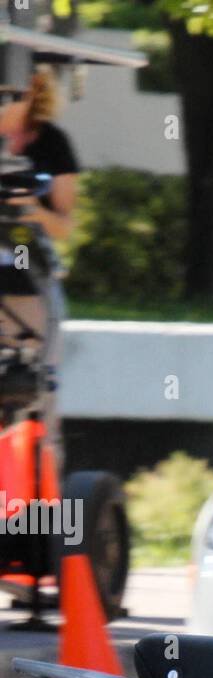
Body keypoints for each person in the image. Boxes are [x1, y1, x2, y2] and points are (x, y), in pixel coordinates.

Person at [0, 65, 80, 456]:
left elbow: (64, 226)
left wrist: (31, 208)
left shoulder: (52, 142)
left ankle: (40, 481)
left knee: (36, 393)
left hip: (30, 280)